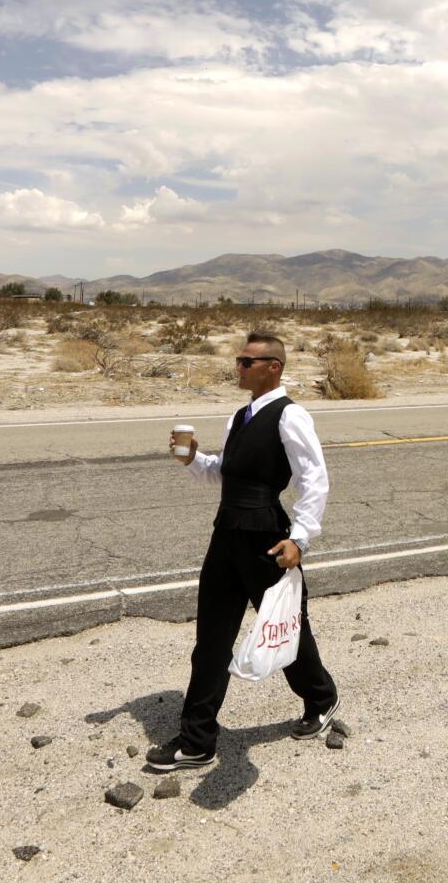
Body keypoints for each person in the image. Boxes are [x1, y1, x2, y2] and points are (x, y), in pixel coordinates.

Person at [146, 330, 340, 771]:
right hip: (226, 535)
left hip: (267, 537)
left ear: (273, 367)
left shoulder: (291, 417)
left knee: (285, 626)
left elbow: (315, 479)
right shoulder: (239, 417)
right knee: (211, 638)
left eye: (246, 362)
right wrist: (193, 459)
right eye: (238, 360)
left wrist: (301, 537)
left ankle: (321, 698)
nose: (238, 367)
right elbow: (225, 475)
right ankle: (197, 741)